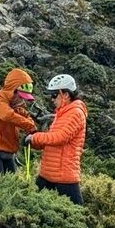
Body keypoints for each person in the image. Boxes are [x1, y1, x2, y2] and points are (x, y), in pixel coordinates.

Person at [24, 73, 87, 204]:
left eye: (54, 95)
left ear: (66, 95)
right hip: (48, 174)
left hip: (64, 177)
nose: (51, 99)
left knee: (77, 218)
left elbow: (60, 137)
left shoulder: (76, 113)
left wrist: (35, 137)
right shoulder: (62, 113)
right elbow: (52, 141)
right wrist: (34, 142)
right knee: (35, 210)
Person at [0, 68, 37, 177]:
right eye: (21, 97)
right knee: (0, 186)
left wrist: (31, 129)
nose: (22, 101)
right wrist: (29, 126)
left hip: (9, 150)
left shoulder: (15, 106)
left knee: (13, 185)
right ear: (13, 91)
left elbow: (27, 118)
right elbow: (7, 115)